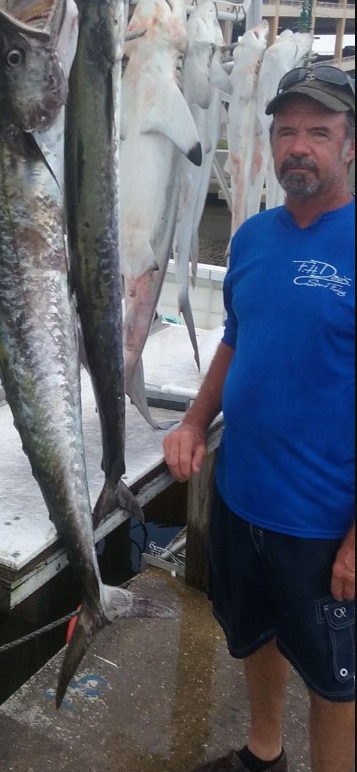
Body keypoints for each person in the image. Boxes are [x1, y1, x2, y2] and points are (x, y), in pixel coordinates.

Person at [163, 64, 355, 772]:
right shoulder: (251, 238)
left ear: (350, 145)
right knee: (255, 636)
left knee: (336, 682)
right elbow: (235, 339)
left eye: (318, 131)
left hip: (322, 520)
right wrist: (191, 422)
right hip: (241, 498)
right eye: (285, 131)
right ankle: (263, 753)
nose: (298, 146)